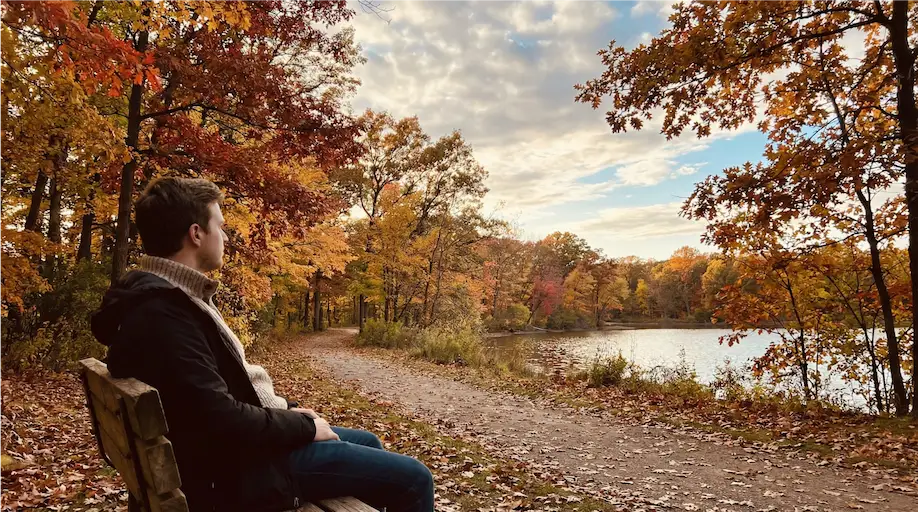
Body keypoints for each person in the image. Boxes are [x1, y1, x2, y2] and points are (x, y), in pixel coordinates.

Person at [91, 177, 434, 512]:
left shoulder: (162, 299)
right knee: (415, 479)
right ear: (196, 234)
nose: (225, 236)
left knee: (369, 443)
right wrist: (304, 426)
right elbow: (221, 419)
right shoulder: (164, 314)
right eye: (220, 227)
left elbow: (212, 397)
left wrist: (287, 411)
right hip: (236, 474)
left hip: (224, 455)